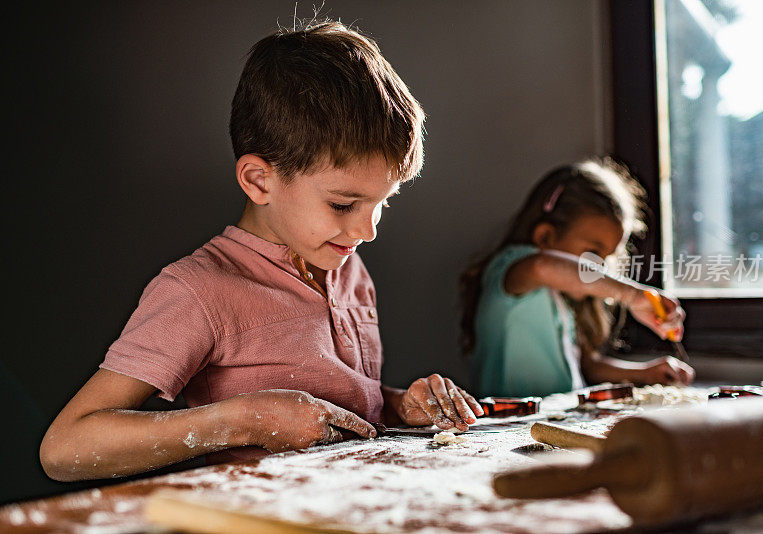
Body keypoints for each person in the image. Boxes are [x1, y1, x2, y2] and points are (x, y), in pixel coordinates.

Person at [40, 21, 483, 482]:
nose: (367, 230)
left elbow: (345, 404)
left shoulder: (348, 267)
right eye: (343, 203)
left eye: (382, 203)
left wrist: (397, 405)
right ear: (258, 180)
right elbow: (66, 447)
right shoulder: (199, 291)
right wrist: (241, 420)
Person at [460, 158, 695, 398]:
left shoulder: (563, 301)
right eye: (593, 254)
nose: (601, 267)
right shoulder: (512, 269)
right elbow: (544, 266)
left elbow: (589, 366)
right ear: (546, 237)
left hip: (554, 423)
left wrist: (646, 373)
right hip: (505, 425)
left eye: (606, 258)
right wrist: (632, 295)